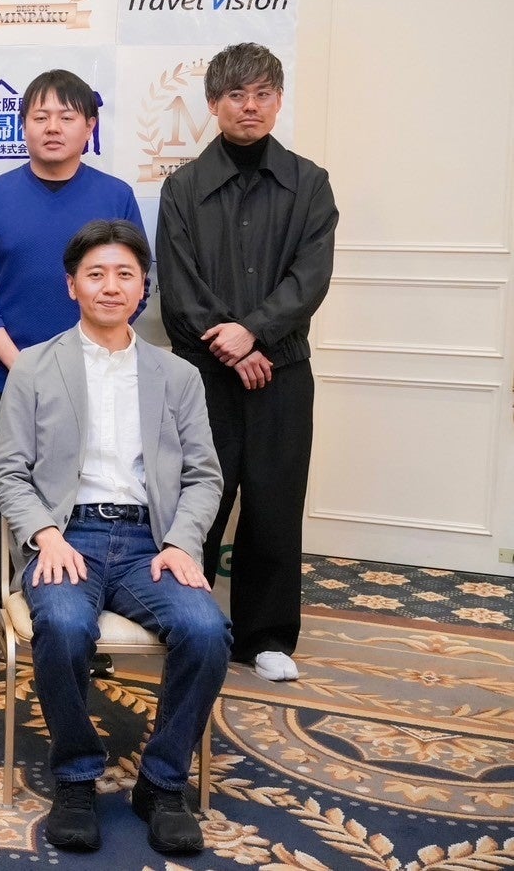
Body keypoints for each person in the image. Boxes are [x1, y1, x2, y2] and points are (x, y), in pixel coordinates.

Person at [0, 219, 228, 856]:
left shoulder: (177, 375)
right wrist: (45, 534)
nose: (111, 286)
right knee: (65, 626)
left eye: (125, 274)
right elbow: (8, 471)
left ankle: (162, 783)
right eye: (95, 274)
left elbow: (204, 475)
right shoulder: (34, 367)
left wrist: (182, 543)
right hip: (68, 537)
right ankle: (75, 777)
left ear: (143, 286)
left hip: (152, 543)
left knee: (206, 631)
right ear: (72, 286)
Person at [156, 42, 338, 683]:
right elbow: (179, 287)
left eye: (262, 94)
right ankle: (187, 622)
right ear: (214, 104)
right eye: (236, 95)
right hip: (204, 375)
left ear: (279, 100)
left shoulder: (309, 183)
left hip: (281, 371)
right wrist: (231, 347)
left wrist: (254, 335)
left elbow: (310, 278)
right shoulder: (182, 188)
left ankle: (267, 636)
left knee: (274, 502)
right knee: (196, 500)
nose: (249, 106)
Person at [0, 69, 145, 679]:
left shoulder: (115, 196)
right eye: (40, 116)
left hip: (98, 382)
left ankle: (88, 622)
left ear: (90, 126)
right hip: (6, 377)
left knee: (85, 499)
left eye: (67, 116)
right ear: (23, 126)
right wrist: (23, 363)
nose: (53, 127)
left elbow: (138, 282)